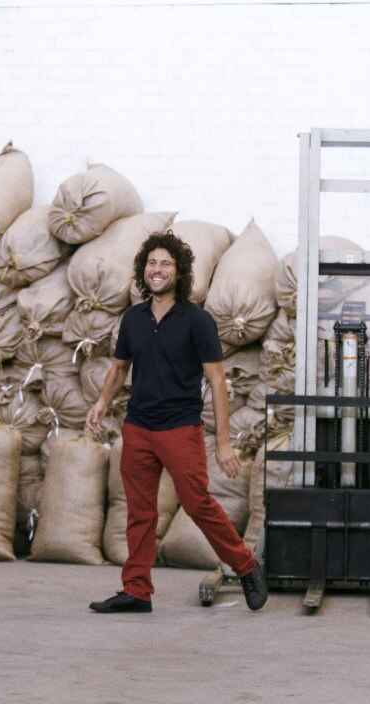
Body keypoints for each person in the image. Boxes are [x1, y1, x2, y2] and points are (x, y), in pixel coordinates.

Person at [86, 230, 268, 614]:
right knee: (139, 512)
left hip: (180, 429)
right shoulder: (133, 318)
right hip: (138, 427)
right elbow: (119, 368)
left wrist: (223, 443)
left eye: (165, 264)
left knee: (198, 504)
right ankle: (137, 590)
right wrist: (102, 402)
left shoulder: (197, 320)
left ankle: (246, 566)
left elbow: (217, 380)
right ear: (143, 270)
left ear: (179, 272)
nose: (157, 269)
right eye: (151, 263)